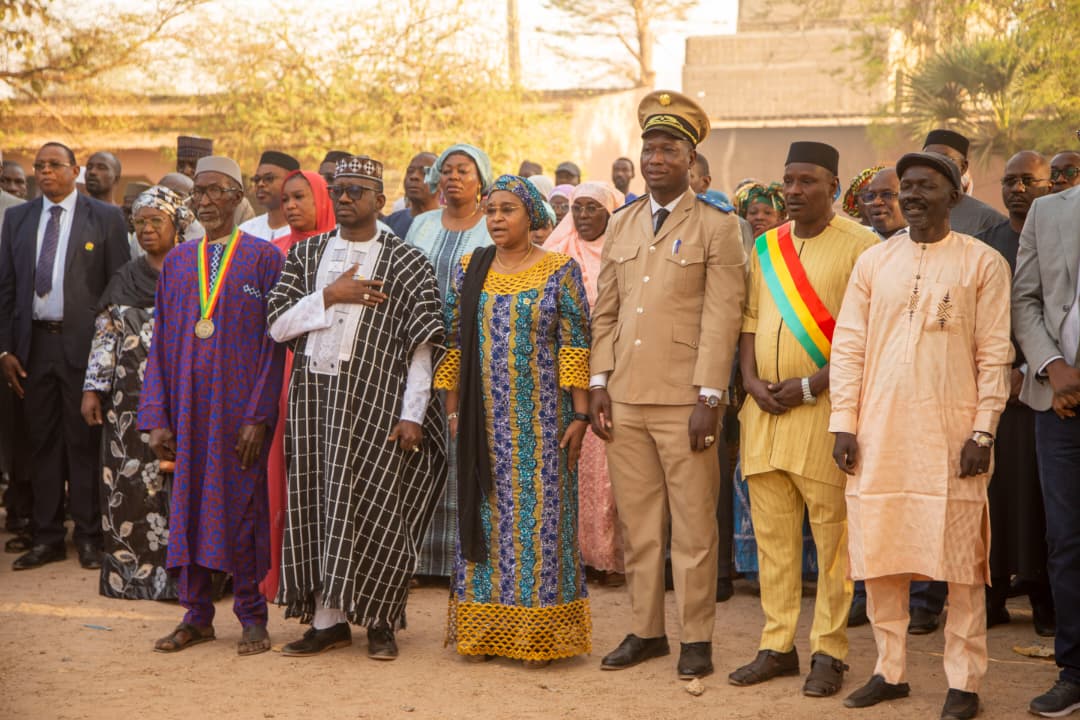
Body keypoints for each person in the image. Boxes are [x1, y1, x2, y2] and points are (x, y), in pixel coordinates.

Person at [831, 151, 1012, 720]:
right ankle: (890, 671)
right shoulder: (874, 262)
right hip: (879, 433)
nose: (910, 195)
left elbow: (995, 355)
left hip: (951, 435)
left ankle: (964, 682)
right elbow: (850, 348)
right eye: (905, 187)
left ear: (953, 196)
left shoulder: (982, 263)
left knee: (961, 565)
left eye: (924, 187)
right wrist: (843, 423)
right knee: (881, 556)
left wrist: (983, 431)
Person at [591, 90, 746, 680]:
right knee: (639, 524)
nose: (656, 158)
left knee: (694, 526)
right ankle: (646, 631)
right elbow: (605, 310)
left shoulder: (717, 225)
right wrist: (599, 383)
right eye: (649, 148)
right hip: (624, 397)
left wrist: (711, 397)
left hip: (686, 402)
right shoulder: (624, 221)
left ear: (689, 159)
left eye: (669, 149)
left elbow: (722, 317)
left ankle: (697, 637)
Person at [267, 155, 446, 659]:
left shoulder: (406, 261)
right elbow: (278, 325)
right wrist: (330, 294)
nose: (345, 199)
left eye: (357, 191)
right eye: (339, 190)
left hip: (378, 406)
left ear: (378, 199)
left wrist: (413, 414)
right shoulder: (306, 257)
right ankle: (328, 622)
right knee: (317, 507)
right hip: (313, 405)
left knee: (379, 510)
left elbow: (422, 348)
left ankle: (382, 622)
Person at [729, 141, 877, 697]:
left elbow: (867, 337)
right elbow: (748, 320)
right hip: (763, 411)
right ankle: (777, 646)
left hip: (825, 414)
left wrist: (812, 384)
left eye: (807, 181)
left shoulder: (862, 247)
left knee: (832, 540)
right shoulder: (766, 247)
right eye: (788, 180)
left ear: (833, 188)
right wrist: (747, 381)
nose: (793, 190)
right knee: (773, 539)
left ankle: (830, 652)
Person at [438, 174, 592, 667]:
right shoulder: (471, 268)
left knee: (538, 528)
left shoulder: (559, 270)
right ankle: (484, 632)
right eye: (491, 211)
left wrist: (580, 414)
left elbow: (574, 344)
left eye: (508, 210)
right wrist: (453, 411)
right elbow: (454, 344)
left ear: (532, 217)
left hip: (543, 424)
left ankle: (536, 637)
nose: (497, 219)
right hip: (482, 426)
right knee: (484, 519)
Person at [138, 155, 284, 656]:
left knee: (242, 511)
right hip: (187, 413)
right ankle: (196, 615)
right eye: (198, 193)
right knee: (188, 509)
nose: (204, 200)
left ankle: (251, 615)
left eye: (216, 191)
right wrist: (157, 416)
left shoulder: (264, 258)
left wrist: (258, 417)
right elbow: (159, 344)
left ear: (239, 196)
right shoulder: (178, 262)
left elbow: (274, 345)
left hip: (239, 416)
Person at [0, 141, 131, 571]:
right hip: (33, 347)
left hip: (86, 347)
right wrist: (6, 349)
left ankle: (91, 537)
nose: (45, 172)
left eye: (55, 165)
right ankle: (48, 536)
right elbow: (6, 289)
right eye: (40, 166)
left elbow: (117, 289)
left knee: (85, 442)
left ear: (75, 170)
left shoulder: (106, 218)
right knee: (41, 442)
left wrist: (106, 356)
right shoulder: (17, 218)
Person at [81, 185, 193, 600]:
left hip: (184, 400)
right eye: (140, 222)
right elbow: (105, 336)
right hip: (127, 403)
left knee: (180, 486)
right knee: (129, 489)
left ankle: (184, 582)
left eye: (155, 221)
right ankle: (131, 578)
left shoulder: (194, 270)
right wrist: (94, 388)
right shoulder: (125, 277)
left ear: (178, 224)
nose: (146, 230)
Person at [974, 151, 1056, 635]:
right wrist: (999, 367)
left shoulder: (1059, 237)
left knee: (1036, 497)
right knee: (993, 495)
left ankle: (1042, 597)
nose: (1016, 189)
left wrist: (1028, 365)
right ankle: (993, 593)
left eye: (1028, 180)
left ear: (1048, 186)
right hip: (990, 388)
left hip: (1042, 387)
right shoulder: (985, 246)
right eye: (1008, 181)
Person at [405, 143, 493, 580]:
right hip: (420, 352)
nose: (453, 177)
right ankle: (421, 560)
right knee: (421, 450)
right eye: (447, 170)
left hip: (475, 357)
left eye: (464, 170)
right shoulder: (419, 225)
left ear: (482, 180)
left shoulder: (493, 226)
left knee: (466, 449)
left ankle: (465, 558)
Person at [1012, 167, 1080, 719]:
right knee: (1067, 542)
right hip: (1062, 403)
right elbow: (1025, 300)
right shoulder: (1047, 211)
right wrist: (1053, 367)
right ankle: (1074, 670)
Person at [543, 181, 626, 586]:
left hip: (612, 373)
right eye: (578, 208)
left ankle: (606, 558)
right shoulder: (557, 254)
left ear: (611, 213)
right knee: (567, 465)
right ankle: (570, 556)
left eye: (593, 208)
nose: (583, 216)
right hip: (564, 378)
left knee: (607, 473)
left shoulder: (622, 253)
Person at [260, 168, 336, 602]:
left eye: (300, 197)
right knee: (277, 471)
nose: (289, 206)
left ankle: (320, 576)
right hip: (278, 370)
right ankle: (278, 574)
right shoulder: (272, 251)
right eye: (285, 198)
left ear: (321, 198)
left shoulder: (339, 249)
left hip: (321, 374)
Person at [922, 129, 1005, 236]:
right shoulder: (912, 210)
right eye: (929, 159)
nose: (936, 165)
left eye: (945, 159)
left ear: (963, 167)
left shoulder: (987, 219)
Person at [239, 151, 301, 243]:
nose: (260, 184)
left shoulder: (303, 231)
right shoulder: (245, 231)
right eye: (256, 180)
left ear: (291, 182)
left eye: (269, 178)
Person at [385, 152, 439, 240]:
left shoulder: (450, 225)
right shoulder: (390, 223)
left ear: (440, 182)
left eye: (424, 172)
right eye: (410, 171)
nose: (414, 176)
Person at [859, 168, 906, 240]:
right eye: (871, 196)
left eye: (887, 194)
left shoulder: (924, 240)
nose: (876, 202)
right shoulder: (854, 238)